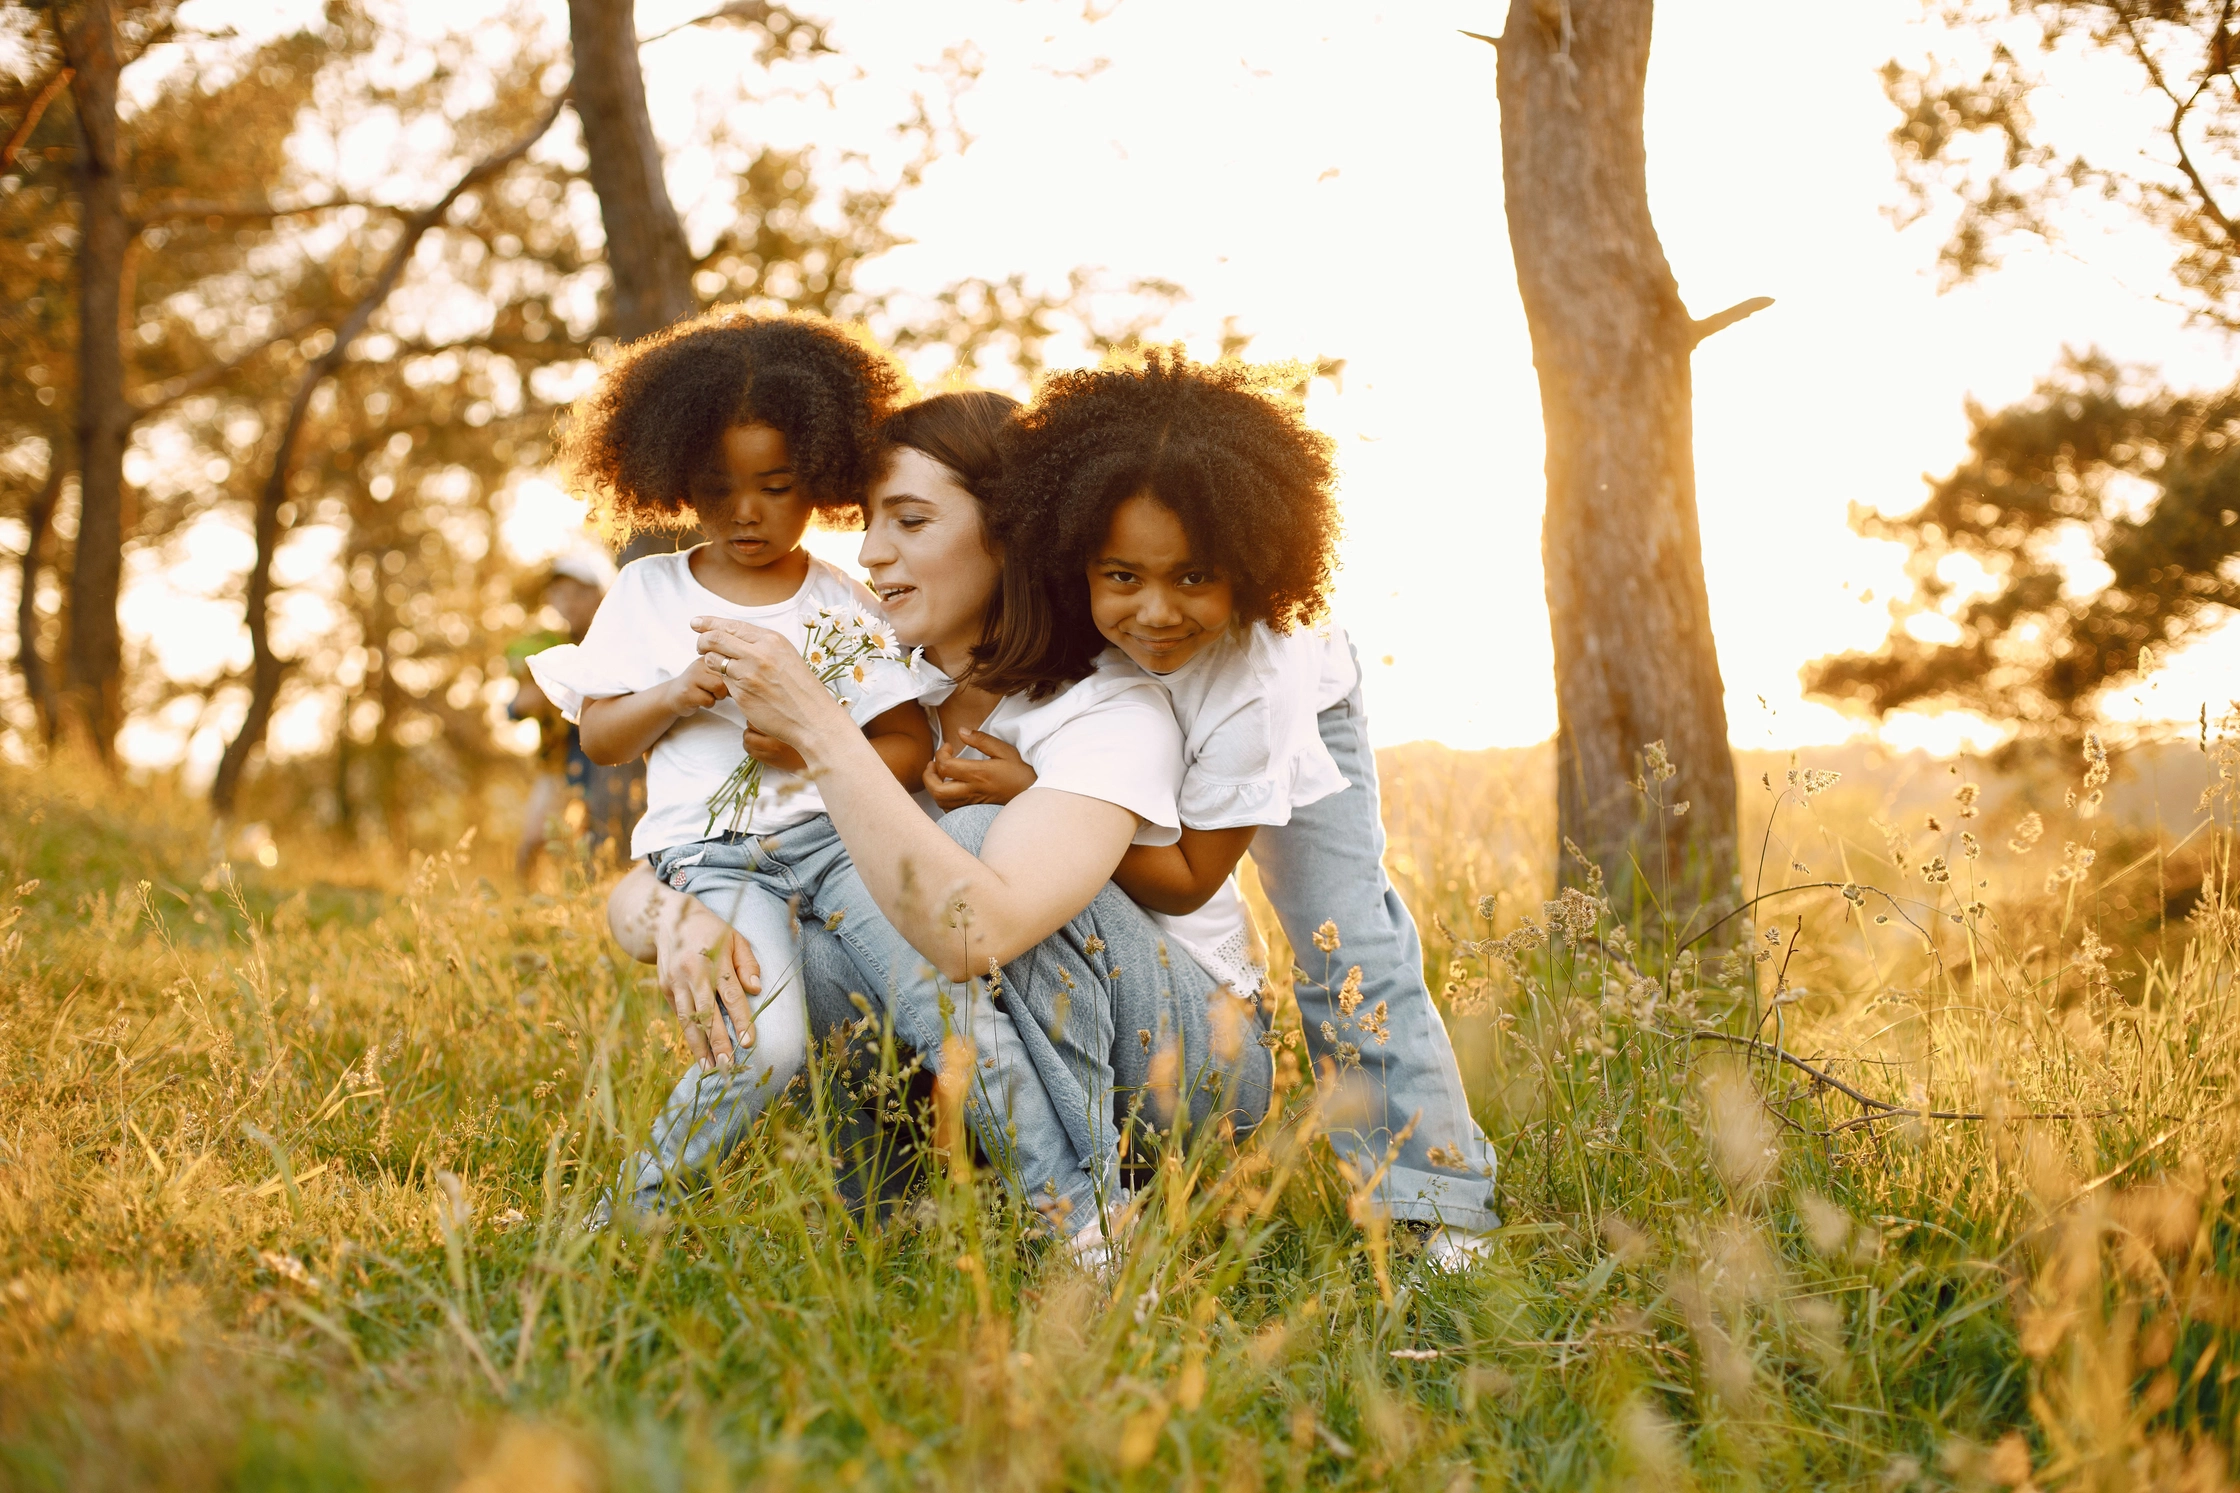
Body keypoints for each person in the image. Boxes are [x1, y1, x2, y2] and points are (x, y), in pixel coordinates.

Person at [608, 390, 1271, 1256]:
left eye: (910, 521)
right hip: (977, 1080)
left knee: (958, 849)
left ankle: (1089, 1225)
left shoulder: (1106, 706)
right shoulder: (894, 700)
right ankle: (885, 1225)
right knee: (812, 924)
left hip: (1185, 1081)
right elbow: (660, 875)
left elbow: (976, 926)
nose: (871, 552)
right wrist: (681, 915)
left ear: (1010, 529)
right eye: (869, 523)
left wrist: (820, 729)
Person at [928, 352, 1499, 1268]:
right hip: (1146, 723)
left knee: (1342, 939)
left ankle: (1436, 1200)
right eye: (1124, 576)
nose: (1155, 610)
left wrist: (1034, 794)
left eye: (1193, 577)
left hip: (1292, 715)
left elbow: (1193, 877)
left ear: (1251, 566)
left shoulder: (1263, 672)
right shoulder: (1084, 610)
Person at [526, 310, 935, 1223]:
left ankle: (903, 1199)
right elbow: (600, 739)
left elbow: (908, 741)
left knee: (928, 1007)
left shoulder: (844, 603)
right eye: (717, 487)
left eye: (778, 485)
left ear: (824, 480)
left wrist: (816, 742)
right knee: (763, 1045)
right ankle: (629, 1211)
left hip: (836, 850)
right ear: (673, 478)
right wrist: (677, 693)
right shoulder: (650, 591)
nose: (747, 511)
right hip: (713, 858)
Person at [506, 549, 635, 877]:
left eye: (579, 593)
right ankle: (524, 907)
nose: (569, 603)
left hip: (611, 766)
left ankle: (589, 903)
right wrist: (520, 704)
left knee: (601, 843)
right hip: (558, 764)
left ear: (600, 594)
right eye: (560, 594)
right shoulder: (548, 647)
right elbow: (514, 708)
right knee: (535, 838)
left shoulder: (619, 643)